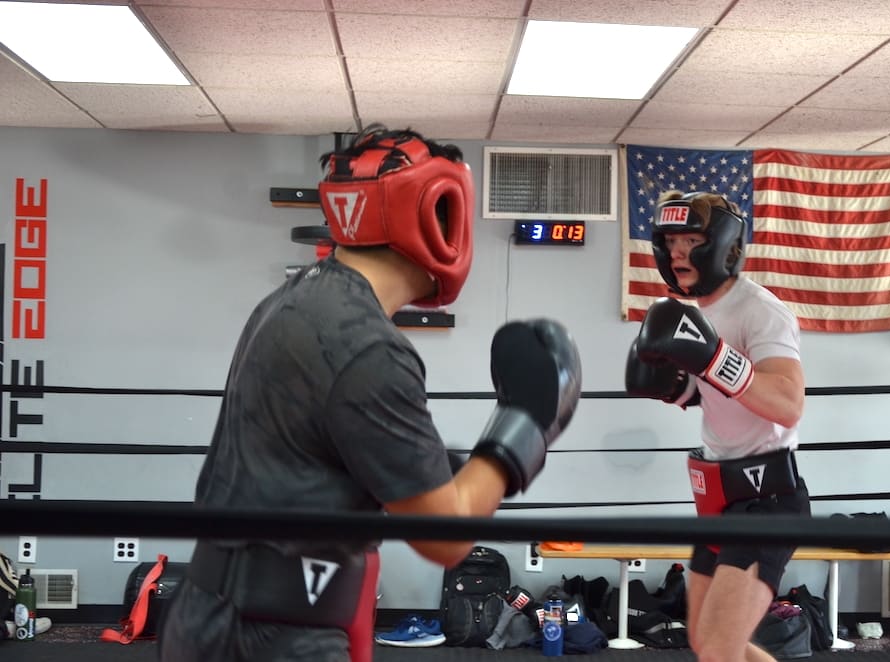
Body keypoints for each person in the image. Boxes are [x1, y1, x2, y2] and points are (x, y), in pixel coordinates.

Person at [159, 124, 583, 662]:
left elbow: (314, 455)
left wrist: (434, 468)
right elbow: (447, 539)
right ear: (431, 213)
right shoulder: (367, 347)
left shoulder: (294, 299)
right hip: (269, 637)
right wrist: (526, 424)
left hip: (221, 617)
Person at [624, 190, 809, 662]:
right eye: (670, 241)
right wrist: (674, 388)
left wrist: (714, 357)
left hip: (766, 500)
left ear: (724, 245)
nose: (677, 252)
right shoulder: (696, 313)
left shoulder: (761, 310)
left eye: (690, 239)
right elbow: (716, 395)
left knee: (720, 651)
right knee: (708, 644)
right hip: (717, 496)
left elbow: (788, 404)